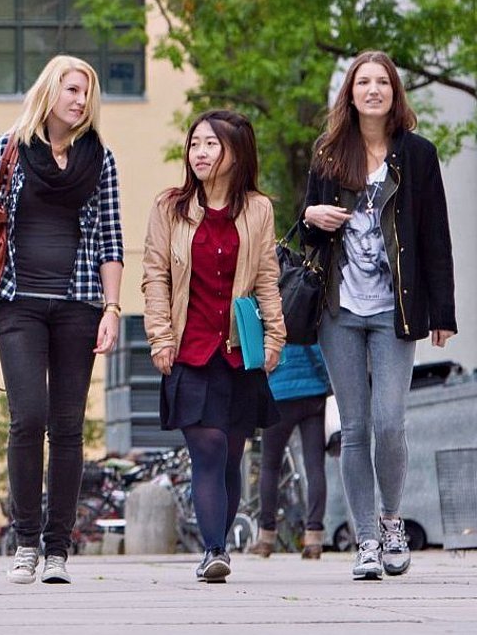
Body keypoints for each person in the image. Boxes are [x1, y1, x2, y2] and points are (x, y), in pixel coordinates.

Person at [0, 55, 123, 587]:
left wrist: (112, 309)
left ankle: (57, 549)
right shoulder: (9, 151)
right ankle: (25, 541)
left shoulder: (102, 160)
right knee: (28, 417)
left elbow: (113, 240)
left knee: (68, 427)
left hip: (79, 304)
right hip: (17, 302)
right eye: (72, 90)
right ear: (49, 92)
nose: (80, 101)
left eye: (87, 94)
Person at [301, 51, 455, 580]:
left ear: (394, 92)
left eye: (381, 81)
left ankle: (392, 521)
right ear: (350, 93)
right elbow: (307, 235)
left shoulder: (417, 154)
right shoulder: (328, 154)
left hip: (397, 310)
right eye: (362, 81)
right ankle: (365, 540)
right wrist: (310, 216)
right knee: (356, 427)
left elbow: (435, 235)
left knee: (391, 423)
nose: (372, 89)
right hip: (339, 311)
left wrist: (443, 311)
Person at [141, 109, 285, 583]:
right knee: (208, 447)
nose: (199, 153)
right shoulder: (170, 207)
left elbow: (267, 278)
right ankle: (215, 549)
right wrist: (160, 336)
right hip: (189, 349)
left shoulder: (258, 209)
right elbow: (156, 276)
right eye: (195, 144)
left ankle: (216, 546)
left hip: (238, 350)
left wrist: (274, 339)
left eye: (211, 144)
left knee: (231, 453)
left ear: (235, 153)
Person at [255, 344, 330, 560]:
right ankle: (314, 537)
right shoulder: (311, 310)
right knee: (315, 466)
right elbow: (321, 351)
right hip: (313, 394)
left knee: (270, 466)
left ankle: (266, 538)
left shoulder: (270, 312)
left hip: (279, 393)